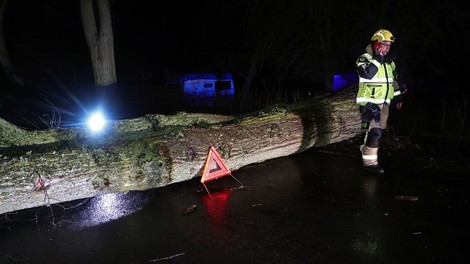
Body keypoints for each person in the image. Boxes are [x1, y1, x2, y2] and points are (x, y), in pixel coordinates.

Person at [356, 29, 403, 174]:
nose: (387, 48)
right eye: (384, 44)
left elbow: (393, 82)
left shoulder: (390, 63)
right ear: (375, 43)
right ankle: (370, 164)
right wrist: (378, 58)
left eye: (389, 45)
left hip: (384, 104)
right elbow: (368, 74)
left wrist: (398, 97)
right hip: (369, 102)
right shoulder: (364, 58)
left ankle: (366, 149)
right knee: (375, 132)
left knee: (377, 133)